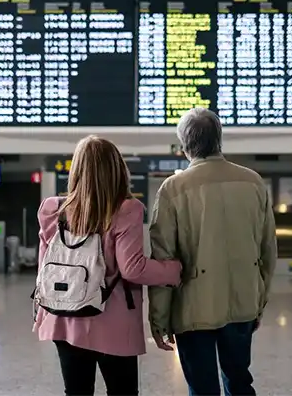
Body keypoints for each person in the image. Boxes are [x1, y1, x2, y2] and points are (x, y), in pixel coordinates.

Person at [35, 135, 182, 396]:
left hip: (64, 314)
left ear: (77, 169)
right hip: (111, 318)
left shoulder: (52, 209)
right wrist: (173, 270)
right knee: (122, 391)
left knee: (77, 391)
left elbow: (45, 266)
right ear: (117, 169)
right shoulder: (126, 209)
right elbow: (133, 268)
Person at [148, 108, 277, 396]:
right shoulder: (252, 182)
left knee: (203, 387)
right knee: (239, 379)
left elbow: (164, 260)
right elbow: (268, 248)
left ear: (184, 146)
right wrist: (259, 301)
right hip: (242, 300)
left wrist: (159, 318)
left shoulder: (173, 188)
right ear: (219, 139)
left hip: (193, 308)